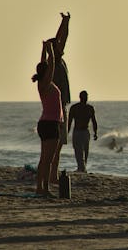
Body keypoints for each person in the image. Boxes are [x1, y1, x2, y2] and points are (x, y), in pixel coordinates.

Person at [32, 40, 63, 197]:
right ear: (46, 73)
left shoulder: (41, 84)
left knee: (44, 159)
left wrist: (44, 48)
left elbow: (44, 63)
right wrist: (50, 49)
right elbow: (51, 64)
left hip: (46, 123)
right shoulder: (46, 83)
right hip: (50, 124)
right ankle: (43, 189)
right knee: (47, 160)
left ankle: (41, 188)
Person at [50, 12, 71, 183]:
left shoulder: (59, 60)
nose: (61, 46)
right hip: (58, 109)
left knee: (58, 146)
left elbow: (62, 39)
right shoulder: (53, 64)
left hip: (62, 107)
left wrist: (66, 22)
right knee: (55, 146)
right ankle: (52, 175)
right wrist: (63, 24)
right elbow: (60, 39)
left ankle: (53, 174)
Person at [68, 90, 98, 173]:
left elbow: (94, 121)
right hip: (78, 131)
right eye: (85, 97)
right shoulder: (75, 108)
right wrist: (67, 132)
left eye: (86, 97)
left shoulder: (89, 108)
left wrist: (95, 133)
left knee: (84, 151)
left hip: (84, 131)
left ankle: (82, 168)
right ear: (81, 97)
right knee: (79, 151)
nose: (86, 98)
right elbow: (69, 121)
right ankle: (81, 168)